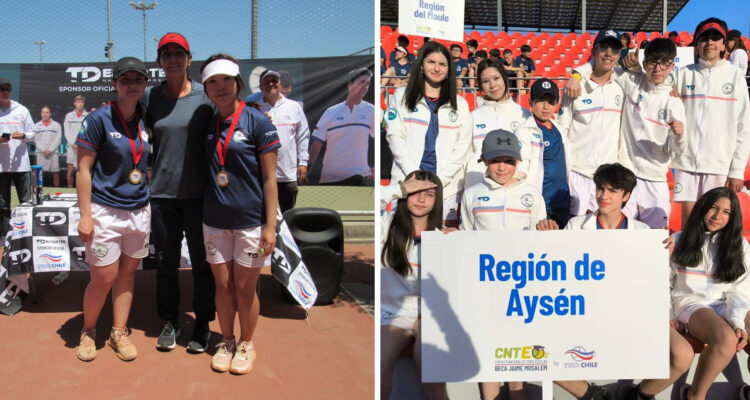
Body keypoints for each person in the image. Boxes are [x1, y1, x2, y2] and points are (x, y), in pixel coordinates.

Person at [538, 163, 693, 400]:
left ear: (626, 196)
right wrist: (547, 241)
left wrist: (668, 313)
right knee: (537, 351)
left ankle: (638, 394)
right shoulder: (575, 227)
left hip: (633, 312)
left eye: (612, 191)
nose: (604, 196)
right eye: (600, 189)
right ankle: (591, 394)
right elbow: (560, 272)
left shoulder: (644, 234)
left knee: (683, 355)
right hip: (585, 311)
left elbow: (658, 282)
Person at [200, 54, 280, 374]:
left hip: (250, 222)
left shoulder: (258, 121)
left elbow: (270, 179)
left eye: (226, 81)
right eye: (212, 83)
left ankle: (247, 342)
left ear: (237, 84)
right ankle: (228, 340)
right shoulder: (206, 122)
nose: (220, 88)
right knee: (222, 286)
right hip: (214, 221)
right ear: (206, 89)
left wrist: (269, 227)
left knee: (246, 287)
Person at [141, 32, 216, 353]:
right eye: (166, 54)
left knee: (202, 264)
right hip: (162, 197)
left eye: (178, 53)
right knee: (166, 264)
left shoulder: (206, 96)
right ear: (160, 61)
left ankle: (202, 324)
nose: (172, 59)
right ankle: (170, 321)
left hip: (200, 197)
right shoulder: (148, 98)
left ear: (189, 58)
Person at [74, 57, 151, 362]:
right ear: (115, 84)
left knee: (127, 276)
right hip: (105, 211)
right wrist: (85, 215)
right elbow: (83, 170)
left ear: (145, 84)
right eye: (125, 80)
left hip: (139, 211)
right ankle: (88, 330)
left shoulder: (148, 119)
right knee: (104, 278)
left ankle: (119, 331)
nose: (132, 85)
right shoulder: (98, 119)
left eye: (138, 80)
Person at [568, 38, 687, 229]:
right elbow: (603, 65)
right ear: (644, 63)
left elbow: (679, 150)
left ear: (672, 66)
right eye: (652, 63)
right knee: (616, 233)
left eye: (664, 64)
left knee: (655, 241)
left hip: (655, 180)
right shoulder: (632, 81)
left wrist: (679, 136)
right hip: (625, 175)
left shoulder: (674, 102)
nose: (657, 69)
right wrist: (576, 76)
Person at [669, 187, 750, 400]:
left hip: (727, 302)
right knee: (725, 339)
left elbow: (739, 289)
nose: (717, 216)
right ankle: (694, 395)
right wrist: (668, 315)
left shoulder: (739, 245)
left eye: (726, 212)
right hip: (691, 303)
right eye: (713, 208)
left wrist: (737, 321)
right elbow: (662, 283)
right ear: (703, 208)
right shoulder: (678, 240)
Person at [669, 18, 750, 227]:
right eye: (704, 39)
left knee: (713, 226)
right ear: (696, 44)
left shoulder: (735, 77)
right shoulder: (683, 74)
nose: (710, 43)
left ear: (724, 44)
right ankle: (688, 260)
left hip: (719, 164)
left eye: (716, 38)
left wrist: (737, 170)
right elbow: (659, 94)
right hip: (686, 162)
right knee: (688, 225)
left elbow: (744, 127)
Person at [385, 41, 472, 226]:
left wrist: (439, 180)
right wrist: (413, 175)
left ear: (449, 69)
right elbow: (394, 136)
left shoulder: (461, 104)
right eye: (431, 62)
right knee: (402, 240)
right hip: (407, 181)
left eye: (442, 64)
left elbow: (462, 147)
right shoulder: (401, 95)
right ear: (422, 65)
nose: (437, 68)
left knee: (441, 245)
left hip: (446, 188)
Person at [380, 170, 446, 400]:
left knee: (430, 366)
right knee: (379, 362)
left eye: (428, 194)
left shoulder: (445, 236)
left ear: (437, 201)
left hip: (430, 316)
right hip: (392, 315)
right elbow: (373, 199)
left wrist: (456, 242)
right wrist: (399, 189)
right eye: (414, 192)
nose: (420, 199)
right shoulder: (385, 225)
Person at [558, 30, 625, 217]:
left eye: (614, 50)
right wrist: (577, 76)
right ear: (595, 50)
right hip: (578, 173)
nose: (609, 54)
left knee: (603, 236)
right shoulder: (574, 87)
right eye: (604, 47)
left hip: (607, 177)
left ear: (619, 55)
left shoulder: (622, 83)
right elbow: (563, 128)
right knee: (573, 231)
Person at [465, 58, 531, 189]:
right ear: (480, 85)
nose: (492, 85)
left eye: (496, 78)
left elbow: (527, 156)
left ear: (504, 78)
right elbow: (466, 156)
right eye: (485, 81)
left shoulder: (523, 115)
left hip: (514, 189)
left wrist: (517, 179)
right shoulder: (473, 117)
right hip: (479, 189)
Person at [248, 69, 308, 212]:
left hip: (287, 175)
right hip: (260, 175)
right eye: (266, 82)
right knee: (263, 216)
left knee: (287, 216)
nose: (271, 84)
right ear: (261, 87)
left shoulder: (294, 107)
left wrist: (303, 162)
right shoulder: (251, 107)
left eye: (274, 81)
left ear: (280, 84)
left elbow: (303, 136)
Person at [514, 78, 571, 228]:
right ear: (530, 102)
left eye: (551, 101)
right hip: (541, 205)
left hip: (562, 201)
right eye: (540, 101)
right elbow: (521, 171)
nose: (546, 107)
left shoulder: (559, 128)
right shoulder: (524, 131)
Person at [309, 68, 374, 185]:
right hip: (330, 177)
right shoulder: (331, 111)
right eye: (361, 82)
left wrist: (377, 168)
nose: (364, 87)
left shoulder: (372, 111)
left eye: (367, 83)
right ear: (350, 84)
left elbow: (381, 141)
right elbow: (316, 145)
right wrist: (306, 169)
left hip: (359, 177)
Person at [0, 77, 35, 253]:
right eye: (2, 89)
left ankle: (26, 235)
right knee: (3, 204)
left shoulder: (21, 110)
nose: (5, 92)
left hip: (21, 165)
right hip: (1, 166)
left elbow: (33, 133)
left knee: (26, 202)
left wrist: (23, 135)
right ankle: (5, 237)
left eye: (8, 88)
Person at [34, 106, 62, 187]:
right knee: (39, 174)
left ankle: (57, 193)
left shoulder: (57, 125)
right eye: (43, 112)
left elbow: (58, 139)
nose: (45, 114)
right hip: (41, 153)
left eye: (46, 112)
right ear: (41, 114)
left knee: (56, 174)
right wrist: (43, 150)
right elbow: (36, 139)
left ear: (50, 114)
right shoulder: (36, 126)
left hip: (53, 153)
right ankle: (39, 193)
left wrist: (50, 150)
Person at [63, 95, 88, 187]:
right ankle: (69, 188)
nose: (80, 104)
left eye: (82, 102)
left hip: (83, 147)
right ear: (75, 103)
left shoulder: (87, 116)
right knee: (70, 168)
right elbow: (67, 131)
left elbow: (87, 132)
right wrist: (73, 143)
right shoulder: (68, 116)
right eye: (78, 102)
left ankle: (81, 190)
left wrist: (80, 144)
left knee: (81, 169)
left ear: (84, 103)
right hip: (71, 146)